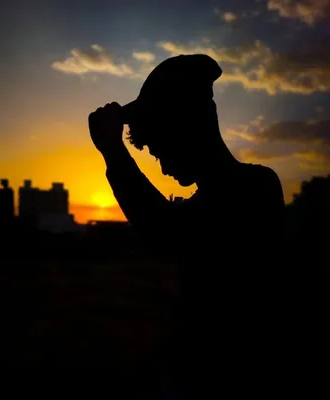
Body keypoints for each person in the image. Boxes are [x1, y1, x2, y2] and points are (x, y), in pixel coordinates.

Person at [88, 54, 286, 397]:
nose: (164, 168)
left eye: (161, 150)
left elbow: (165, 233)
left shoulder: (255, 188)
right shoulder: (223, 196)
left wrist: (114, 154)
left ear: (187, 128)